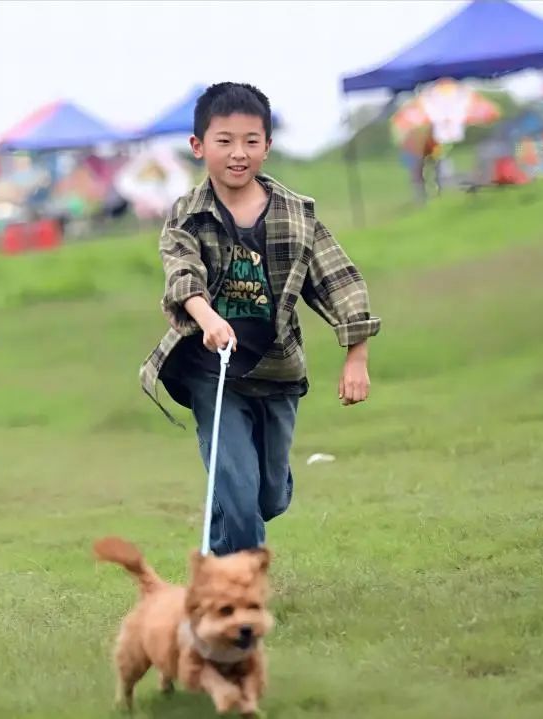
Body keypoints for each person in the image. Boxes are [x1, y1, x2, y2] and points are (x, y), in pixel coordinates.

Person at [139, 82, 381, 556]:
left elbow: (340, 281)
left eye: (251, 141)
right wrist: (207, 318)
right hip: (214, 373)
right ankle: (234, 589)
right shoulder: (187, 215)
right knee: (238, 492)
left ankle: (232, 524)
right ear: (198, 146)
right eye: (224, 141)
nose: (238, 153)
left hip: (277, 372)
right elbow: (181, 274)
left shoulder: (296, 214)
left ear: (267, 146)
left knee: (267, 496)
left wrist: (357, 356)